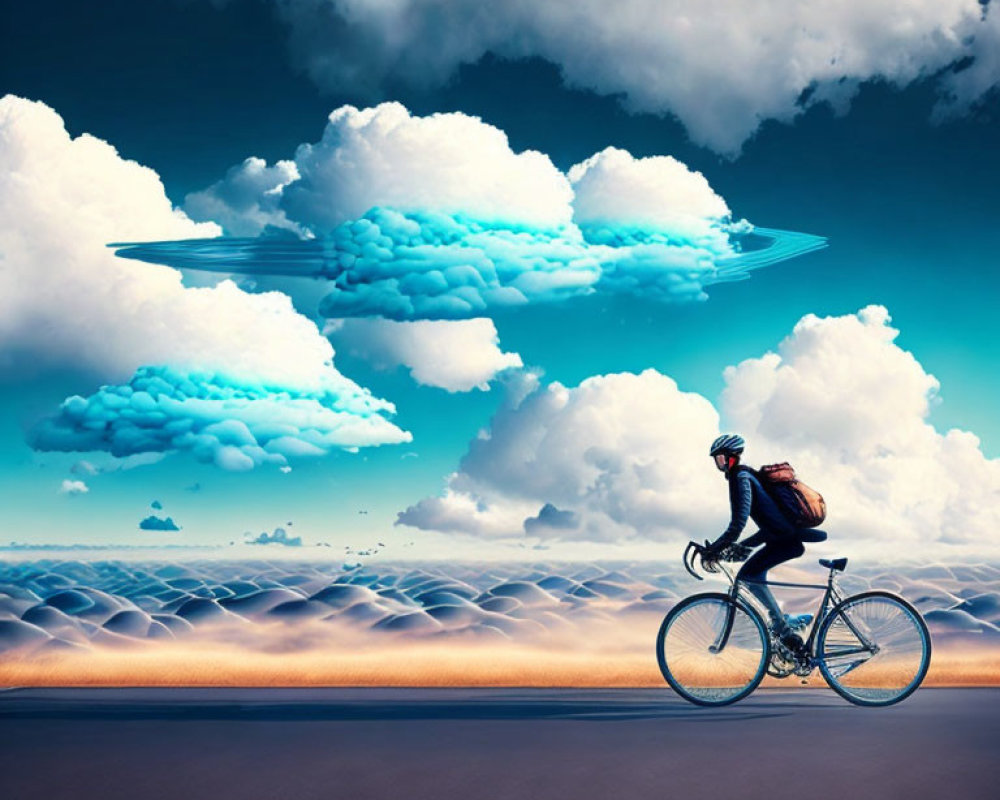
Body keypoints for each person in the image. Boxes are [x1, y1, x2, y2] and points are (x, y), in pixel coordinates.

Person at [702, 433, 827, 655]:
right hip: (782, 539)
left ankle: (785, 630)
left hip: (785, 541)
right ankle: (785, 623)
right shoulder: (745, 477)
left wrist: (715, 549)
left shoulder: (740, 479)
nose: (718, 464)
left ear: (732, 457)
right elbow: (771, 522)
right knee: (752, 576)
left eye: (721, 458)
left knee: (748, 577)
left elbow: (738, 524)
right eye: (716, 460)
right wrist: (742, 546)